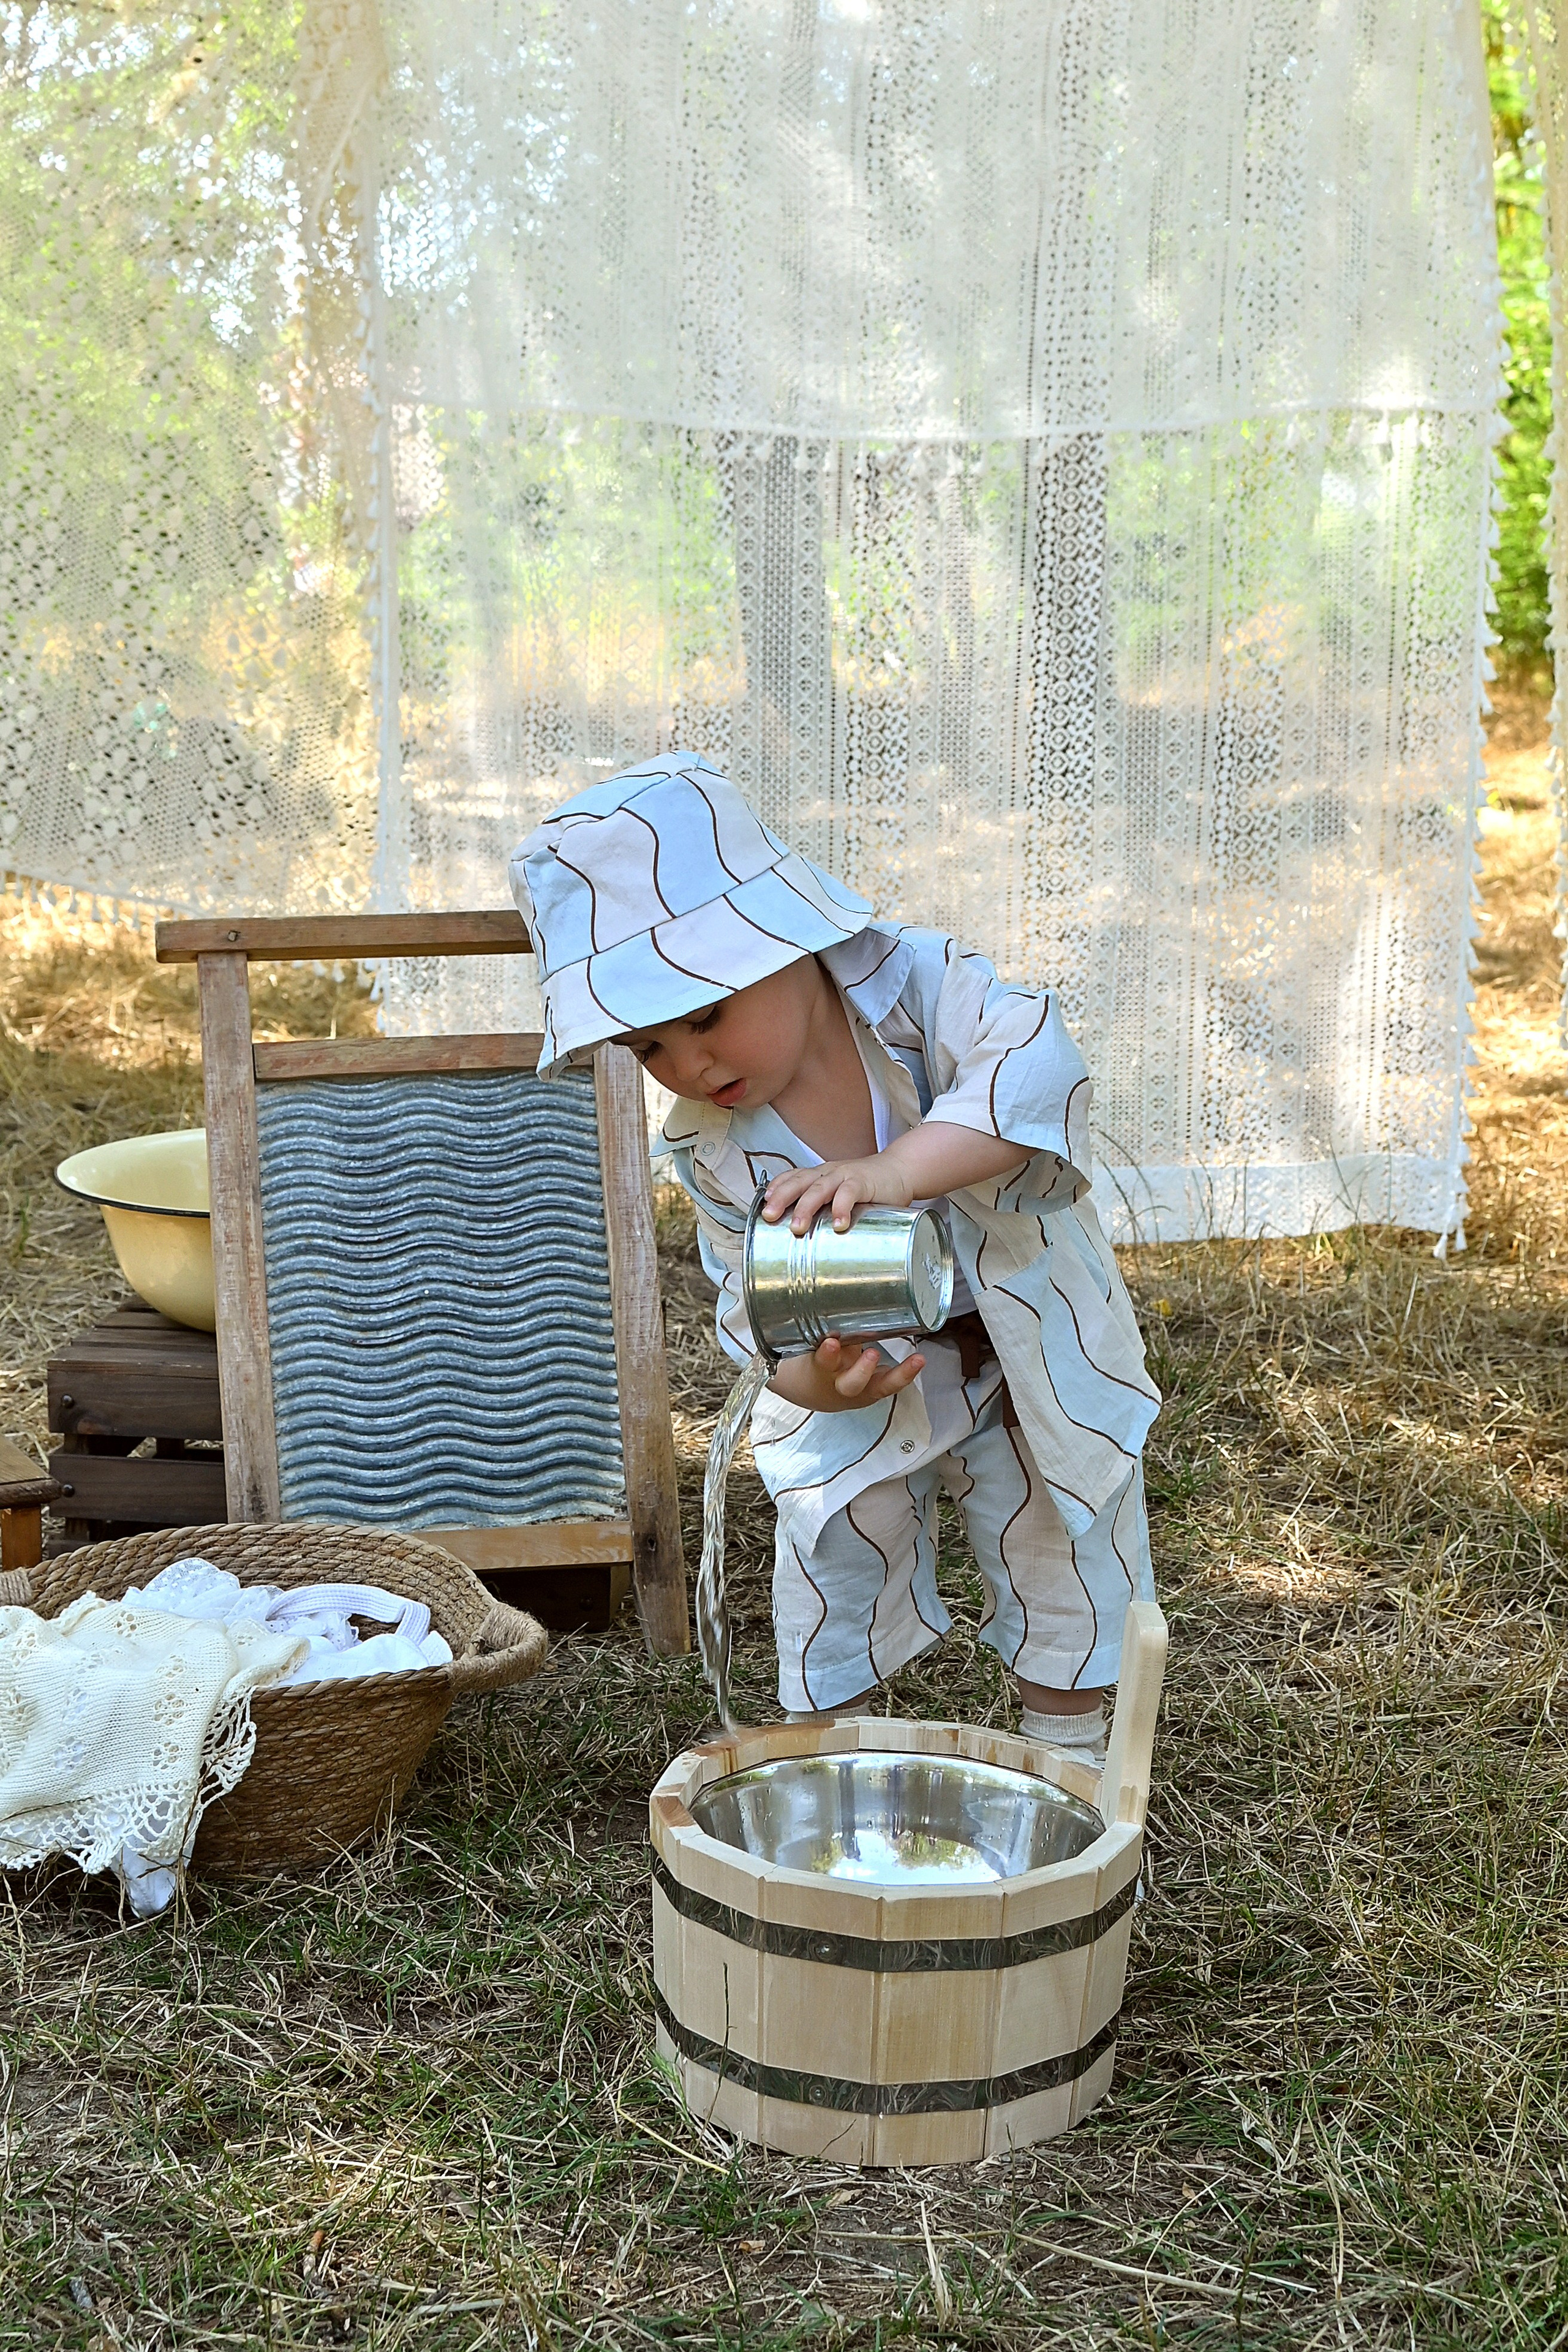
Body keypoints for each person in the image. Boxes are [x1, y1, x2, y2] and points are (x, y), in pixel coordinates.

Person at [511, 751, 1159, 1765]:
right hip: (874, 1364)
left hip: (1027, 1328)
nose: (690, 1065)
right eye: (648, 1048)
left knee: (1058, 1529)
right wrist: (811, 1378)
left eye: (705, 1016)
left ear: (788, 938)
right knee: (830, 1537)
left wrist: (899, 1171)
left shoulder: (912, 989)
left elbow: (1035, 1064)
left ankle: (1066, 1744)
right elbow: (751, 1306)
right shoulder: (712, 1147)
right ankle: (828, 1766)